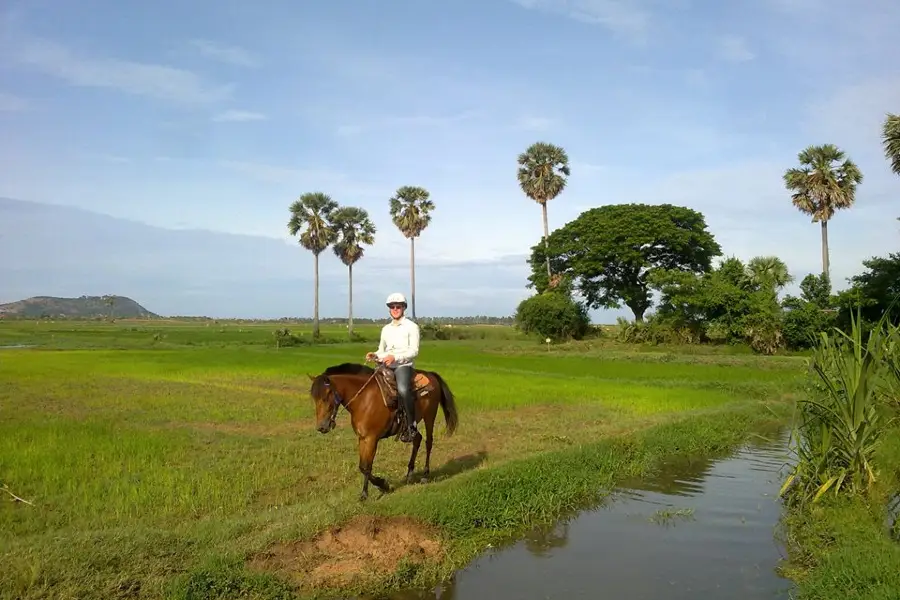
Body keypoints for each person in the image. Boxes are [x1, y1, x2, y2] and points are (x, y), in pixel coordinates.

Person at [365, 292, 420, 442]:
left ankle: (411, 426)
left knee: (402, 389)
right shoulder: (386, 329)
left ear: (404, 308)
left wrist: (395, 357)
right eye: (392, 307)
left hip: (403, 365)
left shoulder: (412, 327)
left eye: (398, 306)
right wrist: (375, 355)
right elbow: (382, 350)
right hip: (386, 365)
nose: (395, 309)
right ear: (389, 309)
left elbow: (414, 351)